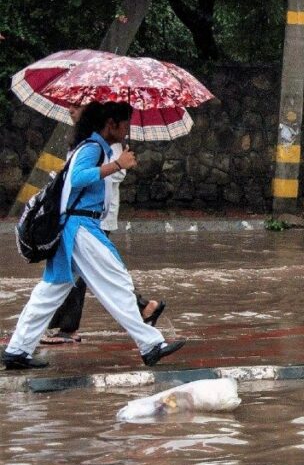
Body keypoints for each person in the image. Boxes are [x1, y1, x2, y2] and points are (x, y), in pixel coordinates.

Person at [2, 102, 185, 369]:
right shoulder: (93, 148)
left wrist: (115, 163)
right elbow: (78, 179)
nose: (127, 130)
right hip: (81, 229)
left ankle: (18, 350)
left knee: (51, 292)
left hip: (73, 230)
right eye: (125, 124)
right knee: (116, 281)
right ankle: (151, 345)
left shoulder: (88, 146)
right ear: (111, 124)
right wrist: (116, 164)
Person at [41, 112, 166, 345]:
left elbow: (107, 175)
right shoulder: (89, 143)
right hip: (80, 220)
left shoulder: (103, 145)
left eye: (78, 106)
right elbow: (77, 176)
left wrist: (115, 164)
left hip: (90, 220)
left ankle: (62, 329)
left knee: (99, 276)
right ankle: (145, 319)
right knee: (77, 279)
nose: (71, 110)